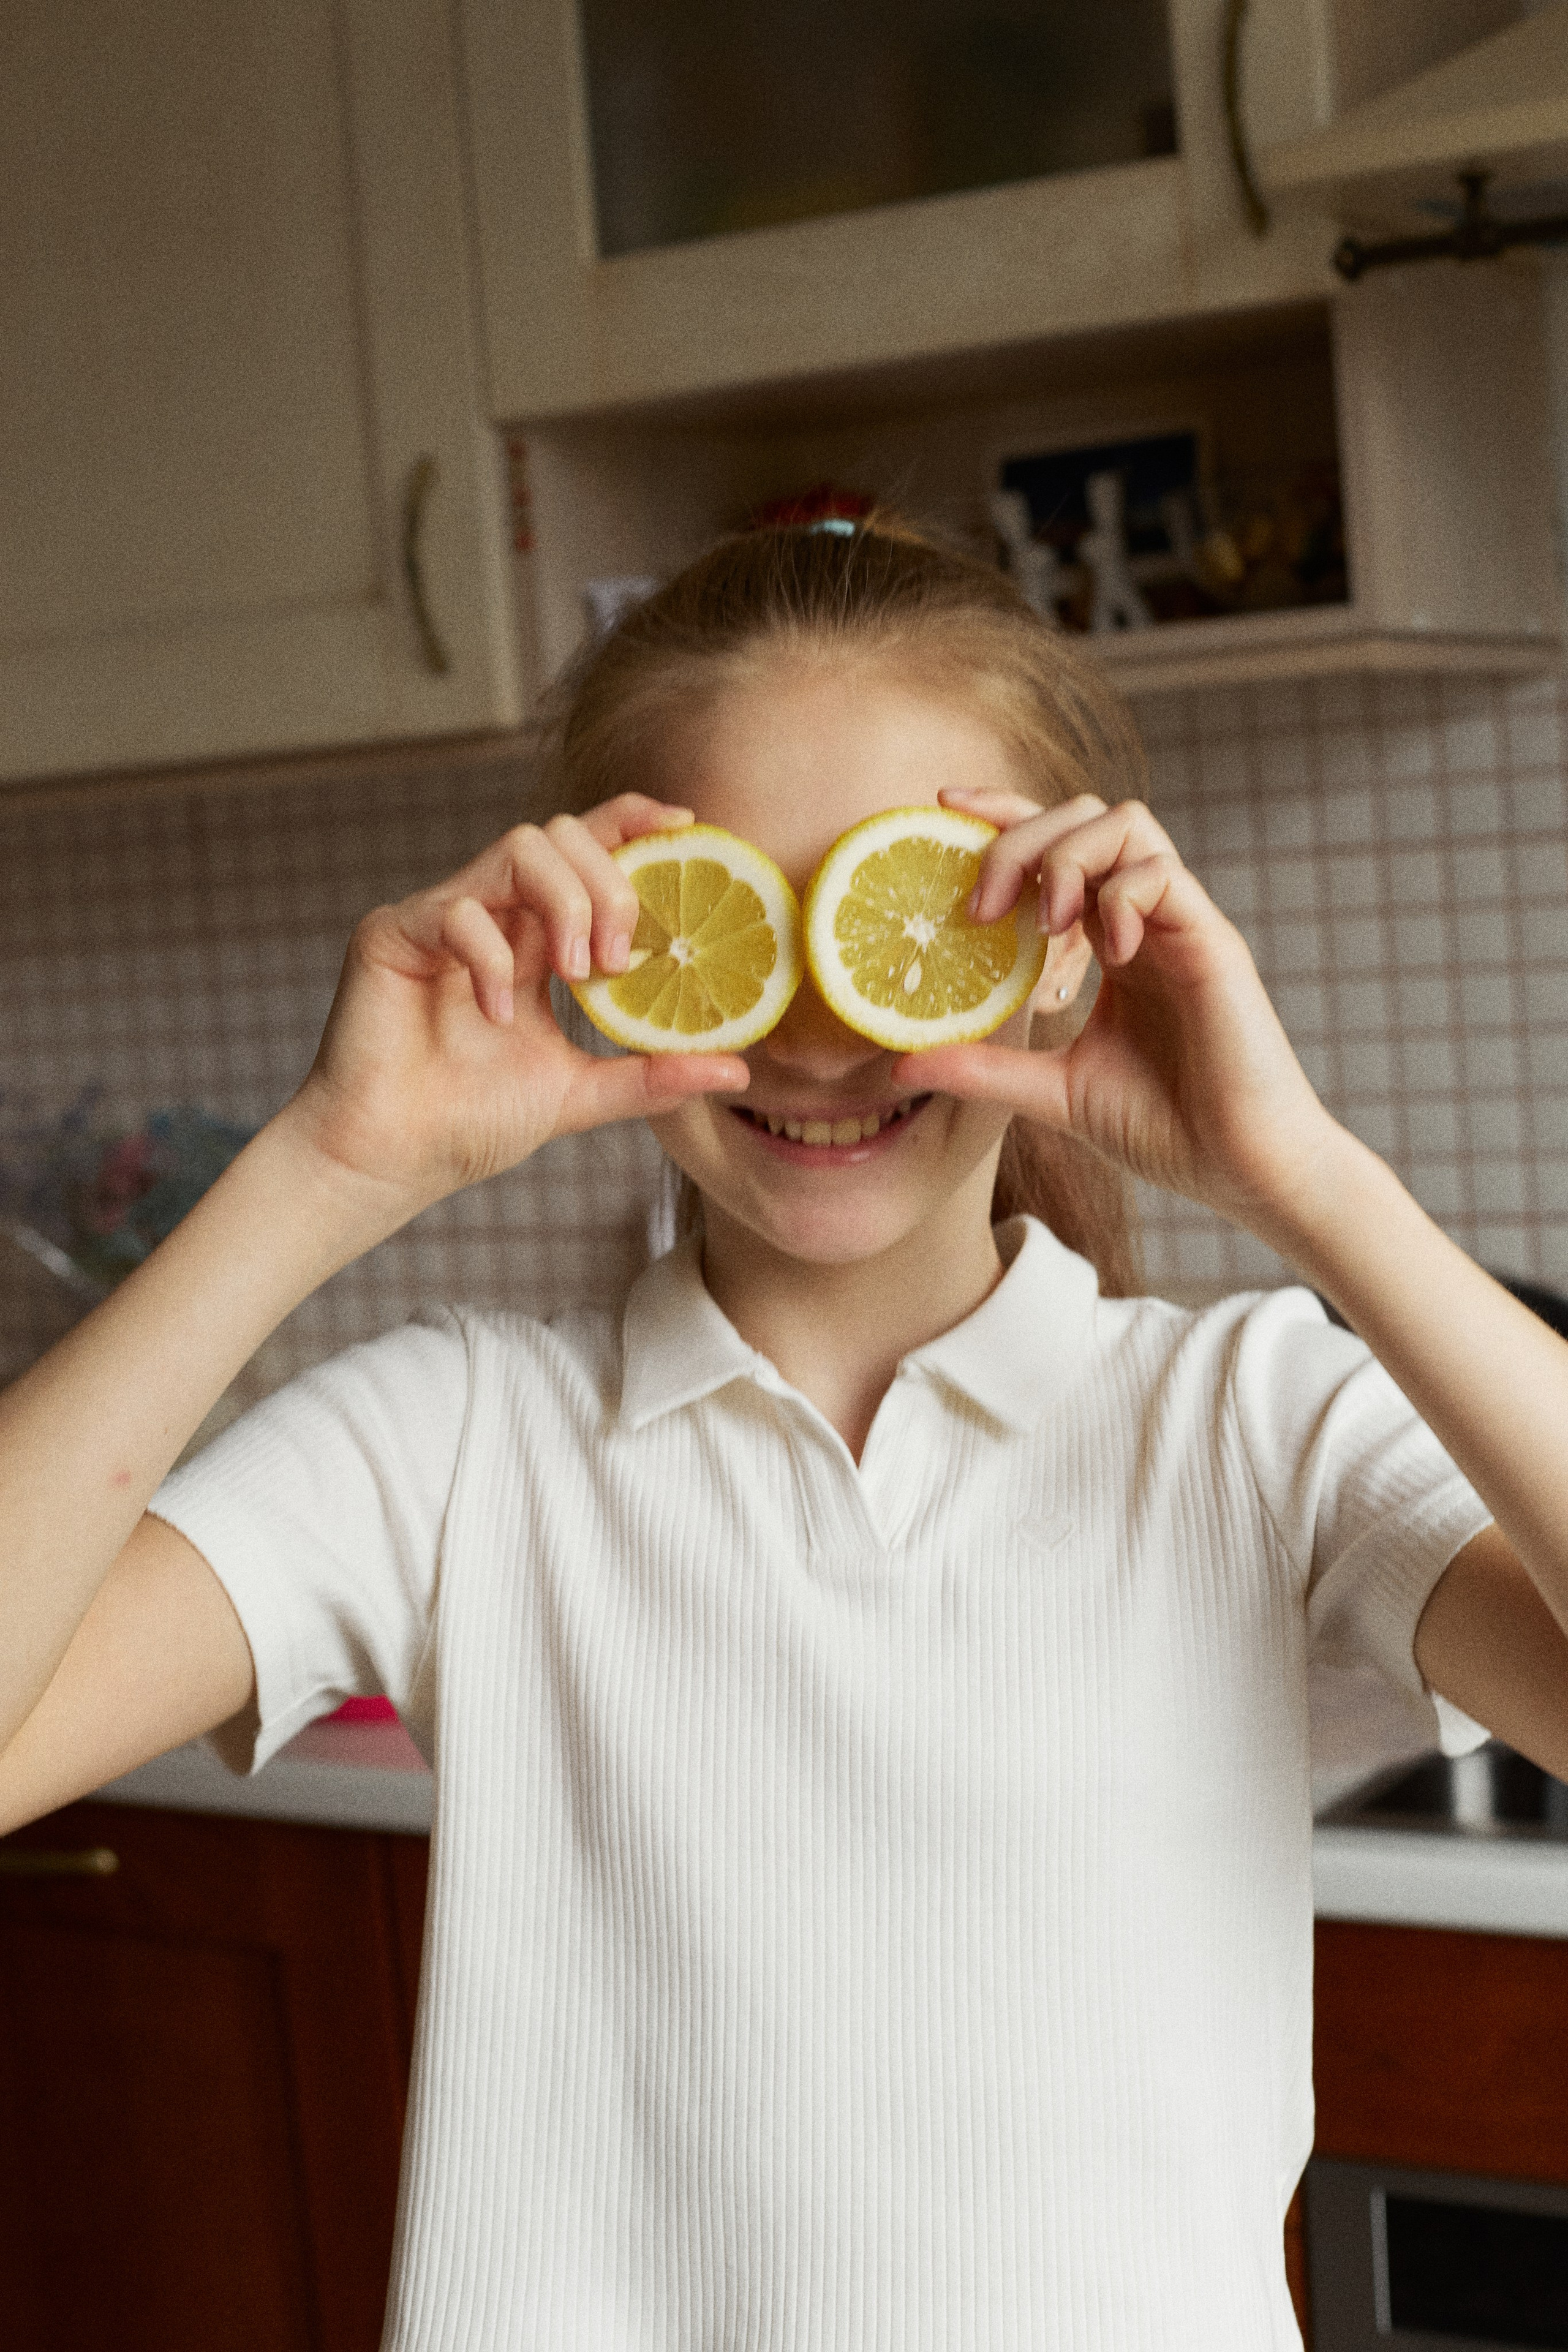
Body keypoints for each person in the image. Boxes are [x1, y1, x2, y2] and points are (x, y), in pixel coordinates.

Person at [1, 516, 1566, 2350]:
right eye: (743, 925)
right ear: (613, 952)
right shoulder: (456, 1445)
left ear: (1062, 955)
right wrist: (329, 1166)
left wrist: (1298, 1178)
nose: (824, 1034)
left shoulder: (1253, 1423)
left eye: (905, 920)